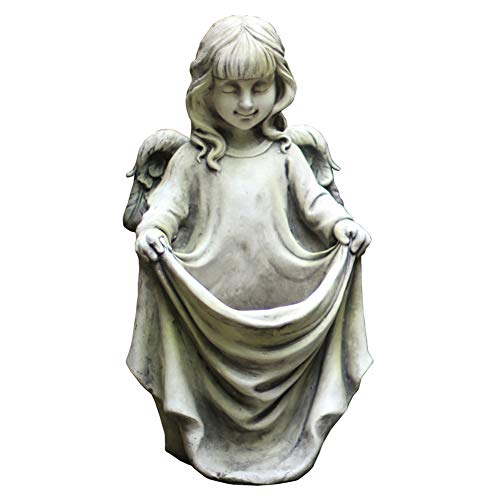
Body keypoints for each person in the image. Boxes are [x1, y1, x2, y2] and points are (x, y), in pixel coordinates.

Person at [127, 15, 372, 484]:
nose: (245, 103)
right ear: (206, 91)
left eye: (259, 88)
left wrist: (342, 224)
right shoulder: (192, 160)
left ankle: (284, 438)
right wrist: (152, 230)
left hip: (281, 314)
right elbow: (166, 208)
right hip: (206, 318)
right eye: (231, 89)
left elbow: (316, 204)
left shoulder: (286, 154)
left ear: (279, 87)